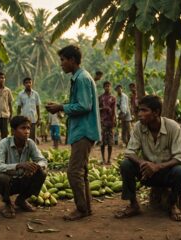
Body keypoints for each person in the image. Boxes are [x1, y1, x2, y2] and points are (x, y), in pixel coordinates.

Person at [46, 45, 101, 221]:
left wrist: (61, 107)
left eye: (62, 60)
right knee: (81, 171)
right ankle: (87, 208)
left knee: (73, 172)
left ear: (71, 60)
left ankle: (81, 209)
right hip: (81, 130)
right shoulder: (79, 78)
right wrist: (61, 105)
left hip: (83, 131)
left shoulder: (82, 79)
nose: (61, 64)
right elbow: (80, 103)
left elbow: (85, 106)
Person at [114, 95, 181, 221]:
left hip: (166, 173)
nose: (139, 114)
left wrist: (157, 166)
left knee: (180, 171)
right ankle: (133, 205)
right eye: (139, 110)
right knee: (126, 165)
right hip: (146, 173)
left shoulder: (173, 127)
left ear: (156, 112)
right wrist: (143, 163)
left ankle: (173, 205)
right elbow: (130, 152)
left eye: (144, 110)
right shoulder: (138, 127)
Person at [0, 116, 47, 218]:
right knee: (3, 177)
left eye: (28, 128)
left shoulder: (30, 143)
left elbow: (43, 161)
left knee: (42, 172)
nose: (27, 131)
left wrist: (36, 167)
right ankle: (7, 203)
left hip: (21, 180)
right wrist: (19, 165)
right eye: (23, 128)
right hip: (3, 182)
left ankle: (21, 200)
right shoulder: (4, 143)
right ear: (13, 131)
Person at [17, 77, 41, 143]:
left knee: (32, 137)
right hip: (24, 119)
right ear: (24, 84)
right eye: (26, 83)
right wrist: (18, 119)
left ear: (32, 83)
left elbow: (38, 107)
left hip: (33, 119)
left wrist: (39, 118)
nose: (28, 84)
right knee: (24, 137)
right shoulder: (20, 94)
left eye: (29, 82)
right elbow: (19, 108)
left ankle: (32, 152)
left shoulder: (36, 94)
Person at [98, 81, 116, 165]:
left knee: (110, 142)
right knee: (102, 142)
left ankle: (109, 159)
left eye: (108, 86)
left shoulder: (113, 98)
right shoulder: (100, 97)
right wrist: (103, 108)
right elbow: (97, 109)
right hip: (102, 122)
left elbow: (114, 110)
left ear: (110, 87)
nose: (107, 87)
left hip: (110, 122)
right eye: (105, 86)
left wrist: (115, 120)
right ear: (103, 87)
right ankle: (103, 159)